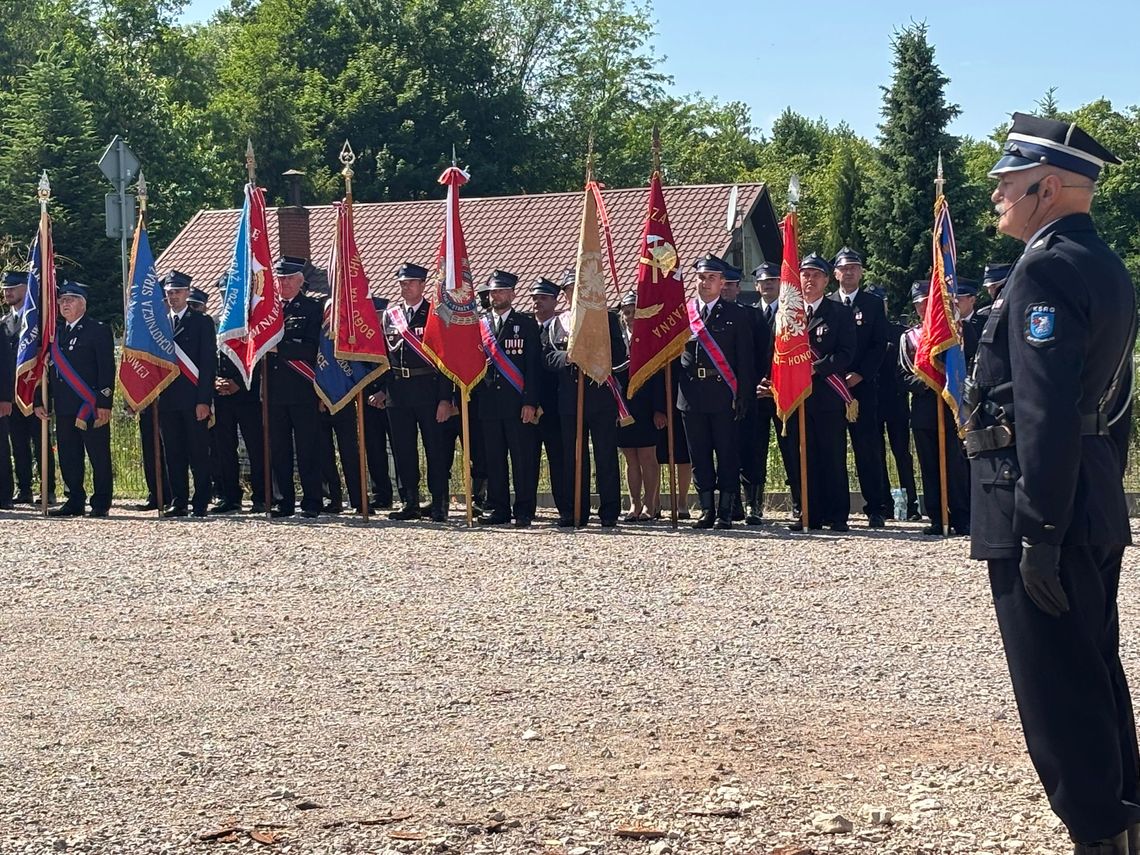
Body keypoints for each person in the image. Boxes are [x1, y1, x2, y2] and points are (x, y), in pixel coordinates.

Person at [967, 112, 1138, 855]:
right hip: (1087, 494)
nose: (998, 194)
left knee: (1058, 695)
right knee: (1093, 673)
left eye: (1010, 181)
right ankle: (1123, 825)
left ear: (1050, 186)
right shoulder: (1104, 263)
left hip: (1041, 503)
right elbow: (1115, 405)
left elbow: (1044, 407)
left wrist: (1039, 527)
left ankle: (1100, 836)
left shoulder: (1044, 268)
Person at [541, 273, 627, 528]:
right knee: (574, 456)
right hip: (570, 398)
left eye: (579, 288)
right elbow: (547, 357)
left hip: (600, 395)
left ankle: (609, 510)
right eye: (570, 290)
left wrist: (595, 352)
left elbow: (620, 355)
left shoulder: (606, 318)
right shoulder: (557, 324)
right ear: (565, 294)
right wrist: (567, 358)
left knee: (605, 455)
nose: (574, 294)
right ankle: (576, 510)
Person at [677, 254, 754, 529]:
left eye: (712, 278)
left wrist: (743, 395)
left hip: (724, 393)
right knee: (699, 455)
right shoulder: (682, 314)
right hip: (691, 393)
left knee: (727, 453)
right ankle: (706, 509)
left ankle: (725, 511)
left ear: (722, 283)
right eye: (701, 277)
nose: (705, 282)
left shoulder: (736, 314)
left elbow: (745, 359)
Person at [786, 253, 856, 533]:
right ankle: (810, 513)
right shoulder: (789, 313)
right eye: (805, 274)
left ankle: (837, 515)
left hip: (827, 395)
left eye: (816, 275)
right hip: (798, 397)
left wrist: (815, 368)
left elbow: (846, 353)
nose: (810, 280)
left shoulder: (839, 313)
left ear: (827, 280)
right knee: (804, 456)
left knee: (832, 455)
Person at [380, 262, 452, 522]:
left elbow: (445, 360)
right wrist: (383, 390)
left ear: (422, 285)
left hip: (428, 389)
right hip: (398, 391)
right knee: (403, 450)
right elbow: (384, 356)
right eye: (402, 283)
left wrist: (445, 398)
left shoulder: (435, 314)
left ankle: (439, 502)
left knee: (435, 449)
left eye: (411, 282)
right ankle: (409, 501)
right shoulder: (390, 315)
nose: (406, 286)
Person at [35, 281, 114, 516]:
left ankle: (101, 502)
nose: (64, 304)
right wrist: (40, 400)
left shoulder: (98, 330)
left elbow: (106, 369)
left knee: (98, 456)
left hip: (90, 405)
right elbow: (45, 372)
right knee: (69, 456)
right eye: (62, 300)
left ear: (83, 304)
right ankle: (74, 500)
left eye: (70, 300)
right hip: (64, 406)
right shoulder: (55, 334)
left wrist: (104, 403)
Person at [900, 281, 970, 535]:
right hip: (924, 410)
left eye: (927, 302)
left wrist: (947, 382)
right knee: (929, 467)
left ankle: (962, 517)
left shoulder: (954, 333)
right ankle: (937, 518)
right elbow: (902, 375)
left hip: (951, 407)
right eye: (918, 304)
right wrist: (930, 382)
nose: (923, 307)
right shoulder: (909, 337)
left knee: (955, 466)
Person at [473, 269, 542, 527]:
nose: (496, 295)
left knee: (522, 458)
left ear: (512, 294)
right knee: (494, 459)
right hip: (489, 403)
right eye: (493, 291)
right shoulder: (480, 326)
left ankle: (524, 509)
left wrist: (530, 402)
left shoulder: (525, 324)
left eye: (501, 291)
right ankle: (499, 507)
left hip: (517, 403)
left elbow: (533, 368)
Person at [829, 247, 888, 527]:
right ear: (835, 273)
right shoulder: (827, 304)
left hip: (862, 387)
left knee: (867, 449)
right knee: (832, 449)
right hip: (831, 386)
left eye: (854, 267)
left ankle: (876, 507)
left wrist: (861, 374)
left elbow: (879, 345)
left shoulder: (872, 304)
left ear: (861, 272)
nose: (849, 272)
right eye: (844, 268)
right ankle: (834, 509)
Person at [265, 256, 323, 518]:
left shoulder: (311, 309)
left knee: (308, 447)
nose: (284, 283)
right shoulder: (267, 310)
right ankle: (283, 501)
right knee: (278, 449)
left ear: (300, 281)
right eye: (281, 278)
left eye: (289, 278)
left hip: (302, 388)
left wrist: (280, 348)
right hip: (274, 390)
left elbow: (312, 348)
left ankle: (312, 501)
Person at [158, 270, 216, 517]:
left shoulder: (201, 322)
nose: (173, 296)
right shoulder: (159, 323)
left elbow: (208, 364)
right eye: (170, 292)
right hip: (167, 400)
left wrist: (204, 400)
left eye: (178, 292)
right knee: (173, 453)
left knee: (198, 453)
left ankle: (200, 501)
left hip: (193, 399)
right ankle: (178, 501)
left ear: (187, 293)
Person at [3, 270, 55, 504]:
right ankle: (24, 488)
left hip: (35, 391)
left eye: (13, 288)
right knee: (18, 444)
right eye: (5, 289)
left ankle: (47, 489)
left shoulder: (38, 321)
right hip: (12, 394)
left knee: (41, 442)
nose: (8, 292)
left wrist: (41, 398)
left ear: (26, 288)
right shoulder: (4, 323)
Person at [721, 262, 767, 523]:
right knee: (725, 450)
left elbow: (763, 353)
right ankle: (731, 503)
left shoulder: (752, 315)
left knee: (751, 449)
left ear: (738, 288)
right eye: (723, 284)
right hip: (718, 395)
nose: (726, 289)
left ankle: (753, 504)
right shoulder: (707, 316)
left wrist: (758, 383)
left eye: (731, 285)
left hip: (747, 393)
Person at [751, 261, 795, 521]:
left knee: (790, 448)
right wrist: (753, 384)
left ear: (781, 284)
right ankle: (754, 505)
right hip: (757, 393)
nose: (768, 285)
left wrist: (778, 386)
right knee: (754, 450)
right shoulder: (749, 314)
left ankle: (798, 502)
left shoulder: (790, 313)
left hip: (784, 393)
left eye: (772, 281)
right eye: (763, 281)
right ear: (756, 286)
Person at [872, 287, 920, 521]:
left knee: (902, 453)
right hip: (873, 400)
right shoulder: (864, 331)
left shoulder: (899, 332)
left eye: (882, 302)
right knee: (877, 454)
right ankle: (885, 504)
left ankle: (912, 503)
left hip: (896, 400)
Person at [616, 290, 663, 521]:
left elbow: (660, 377)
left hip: (647, 406)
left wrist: (660, 409)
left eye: (634, 311)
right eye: (626, 312)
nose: (630, 316)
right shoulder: (617, 340)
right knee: (630, 458)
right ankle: (634, 503)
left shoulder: (652, 338)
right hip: (623, 406)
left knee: (647, 457)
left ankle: (650, 504)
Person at [531, 277, 569, 520]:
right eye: (535, 298)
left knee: (559, 459)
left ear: (555, 301)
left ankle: (565, 508)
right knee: (527, 460)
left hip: (554, 406)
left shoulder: (562, 328)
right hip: (527, 406)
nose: (537, 302)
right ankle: (526, 509)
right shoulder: (525, 328)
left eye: (543, 298)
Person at [211, 355, 265, 514]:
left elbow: (256, 356)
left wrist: (239, 383)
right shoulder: (211, 335)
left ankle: (261, 497)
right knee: (224, 449)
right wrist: (214, 381)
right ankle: (230, 497)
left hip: (248, 396)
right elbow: (209, 358)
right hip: (221, 397)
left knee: (256, 448)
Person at [362, 296, 395, 509]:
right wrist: (368, 395)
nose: (375, 320)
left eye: (378, 315)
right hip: (368, 400)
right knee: (374, 449)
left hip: (392, 399)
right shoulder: (363, 341)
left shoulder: (393, 338)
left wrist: (384, 393)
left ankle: (406, 495)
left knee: (399, 449)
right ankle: (381, 493)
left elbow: (397, 367)